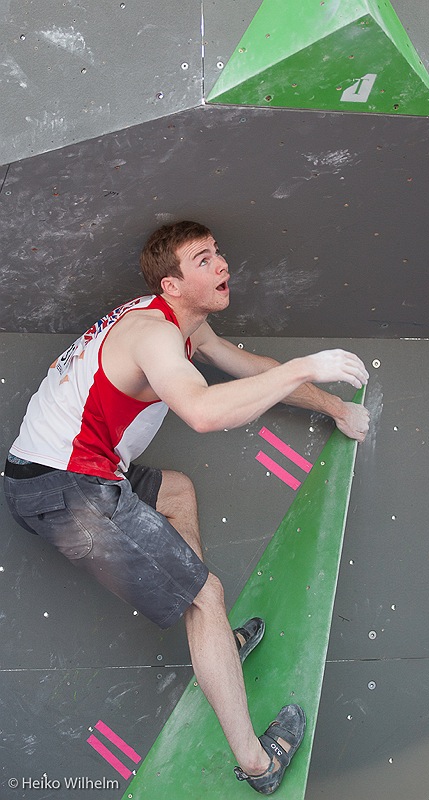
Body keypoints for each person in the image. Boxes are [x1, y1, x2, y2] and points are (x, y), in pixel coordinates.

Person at [4, 221, 369, 794]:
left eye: (217, 253)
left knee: (177, 492)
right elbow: (201, 411)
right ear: (171, 285)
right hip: (63, 488)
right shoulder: (153, 334)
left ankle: (215, 644)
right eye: (203, 259)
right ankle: (258, 764)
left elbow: (248, 367)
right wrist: (305, 365)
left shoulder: (185, 324)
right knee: (205, 595)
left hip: (75, 473)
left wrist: (335, 408)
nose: (222, 264)